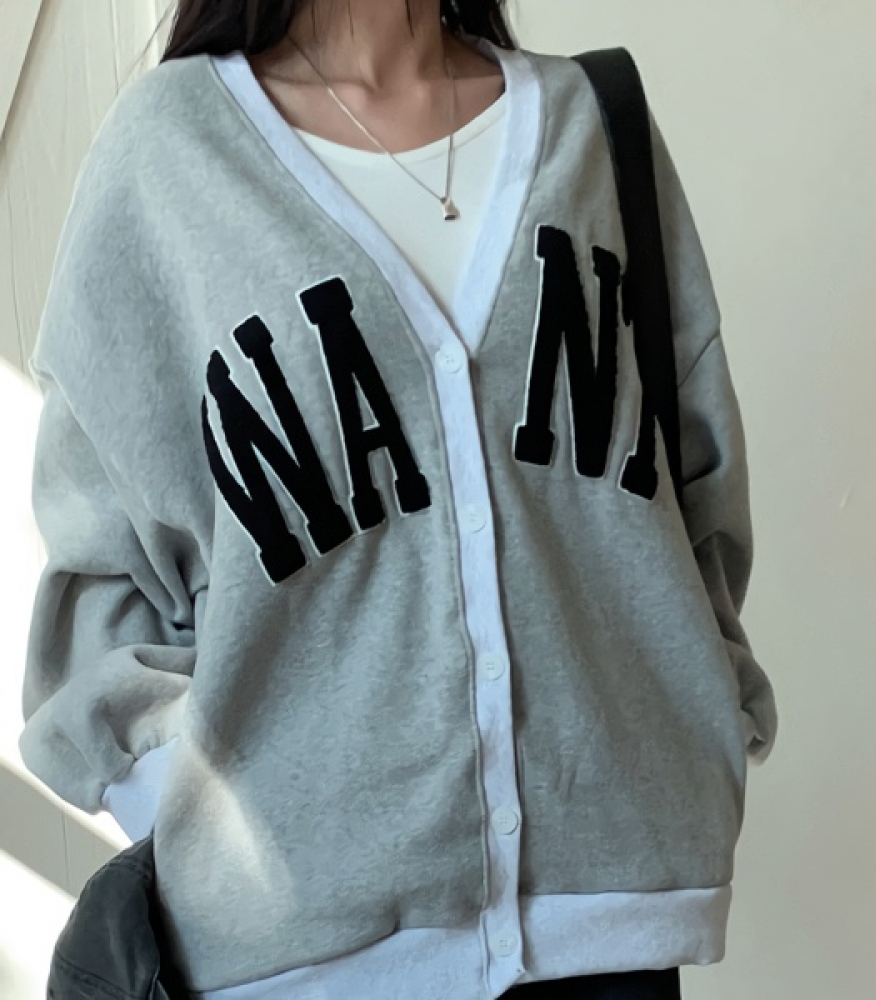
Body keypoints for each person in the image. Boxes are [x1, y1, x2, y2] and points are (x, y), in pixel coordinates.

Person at [18, 0, 779, 997]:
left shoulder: (591, 127)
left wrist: (704, 717)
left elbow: (694, 496)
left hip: (611, 941)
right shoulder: (167, 157)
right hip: (300, 966)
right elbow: (102, 564)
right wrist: (230, 834)